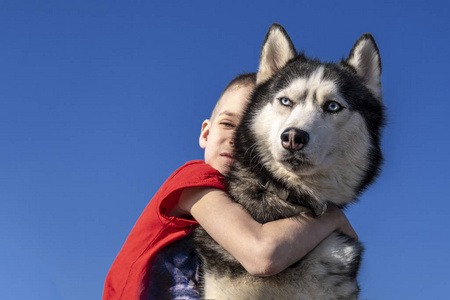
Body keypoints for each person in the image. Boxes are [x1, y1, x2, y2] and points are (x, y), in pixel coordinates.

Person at [103, 73, 357, 300]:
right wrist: (329, 217)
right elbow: (262, 255)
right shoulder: (195, 179)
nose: (236, 139)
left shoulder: (250, 208)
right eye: (227, 123)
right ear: (205, 133)